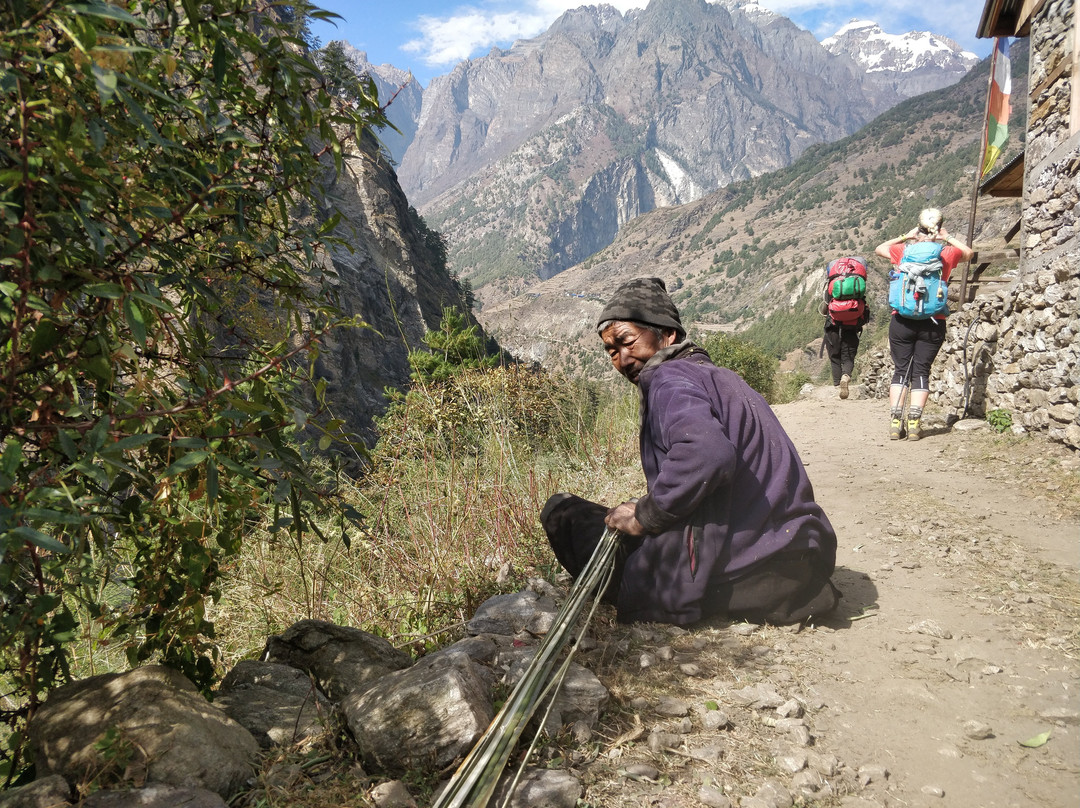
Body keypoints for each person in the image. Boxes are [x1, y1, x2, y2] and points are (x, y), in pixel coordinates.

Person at [540, 277, 841, 627]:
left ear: (667, 334)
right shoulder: (721, 377)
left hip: (753, 562)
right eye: (611, 351)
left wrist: (645, 514)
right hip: (802, 553)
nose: (621, 359)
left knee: (563, 513)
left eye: (627, 342)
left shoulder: (668, 379)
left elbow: (707, 452)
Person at [875, 209, 973, 441]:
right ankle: (915, 423)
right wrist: (945, 238)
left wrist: (905, 237)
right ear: (938, 229)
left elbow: (879, 248)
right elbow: (968, 252)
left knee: (901, 370)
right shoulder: (946, 253)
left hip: (901, 320)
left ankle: (895, 422)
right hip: (933, 321)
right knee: (921, 372)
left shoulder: (903, 251)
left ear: (918, 230)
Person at [820, 257, 870, 400]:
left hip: (833, 324)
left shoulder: (832, 285)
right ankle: (846, 376)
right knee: (848, 356)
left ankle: (837, 385)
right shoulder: (857, 286)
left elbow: (824, 309)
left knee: (834, 356)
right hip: (853, 324)